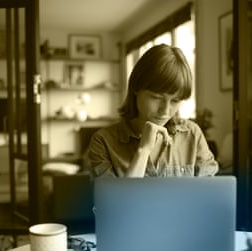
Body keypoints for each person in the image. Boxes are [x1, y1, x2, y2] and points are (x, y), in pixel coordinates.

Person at [87, 44, 218, 177]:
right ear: (136, 89)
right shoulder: (103, 142)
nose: (165, 111)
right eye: (156, 97)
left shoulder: (192, 134)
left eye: (175, 101)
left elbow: (209, 194)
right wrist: (143, 151)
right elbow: (115, 198)